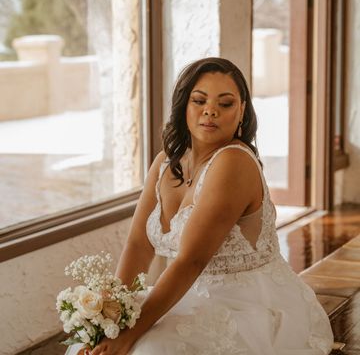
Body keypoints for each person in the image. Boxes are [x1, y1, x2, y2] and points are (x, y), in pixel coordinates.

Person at [69, 57, 333, 355]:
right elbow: (138, 243)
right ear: (184, 106)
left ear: (242, 110)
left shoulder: (234, 162)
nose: (211, 110)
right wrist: (111, 317)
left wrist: (129, 335)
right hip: (183, 294)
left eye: (226, 103)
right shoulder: (165, 164)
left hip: (245, 305)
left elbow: (191, 260)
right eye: (199, 100)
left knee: (148, 350)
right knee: (87, 344)